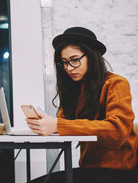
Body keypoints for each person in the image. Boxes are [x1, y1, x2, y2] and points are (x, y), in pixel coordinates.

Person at [26, 27, 137, 183]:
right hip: (89, 170)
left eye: (75, 60)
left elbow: (116, 132)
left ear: (91, 57)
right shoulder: (75, 88)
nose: (69, 68)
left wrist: (58, 125)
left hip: (117, 172)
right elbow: (67, 124)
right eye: (64, 63)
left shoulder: (116, 83)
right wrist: (46, 124)